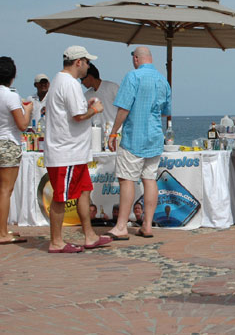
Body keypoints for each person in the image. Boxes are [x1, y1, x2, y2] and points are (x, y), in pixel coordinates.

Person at [43, 46, 112, 253]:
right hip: (66, 152)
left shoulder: (59, 80)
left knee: (83, 191)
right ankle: (56, 241)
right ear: (78, 62)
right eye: (87, 62)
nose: (89, 66)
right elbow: (78, 116)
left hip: (72, 152)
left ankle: (89, 235)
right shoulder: (70, 83)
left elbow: (74, 111)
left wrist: (87, 106)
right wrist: (94, 109)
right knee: (61, 197)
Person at [106, 46, 171, 240]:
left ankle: (121, 226)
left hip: (135, 136)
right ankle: (147, 225)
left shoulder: (132, 77)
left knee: (127, 180)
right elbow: (166, 111)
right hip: (154, 136)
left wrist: (113, 132)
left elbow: (124, 108)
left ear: (136, 59)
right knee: (149, 179)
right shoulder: (163, 80)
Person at [0, 57, 32, 245]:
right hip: (8, 144)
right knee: (5, 190)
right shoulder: (10, 95)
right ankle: (3, 233)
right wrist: (28, 110)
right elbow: (22, 125)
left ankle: (2, 228)